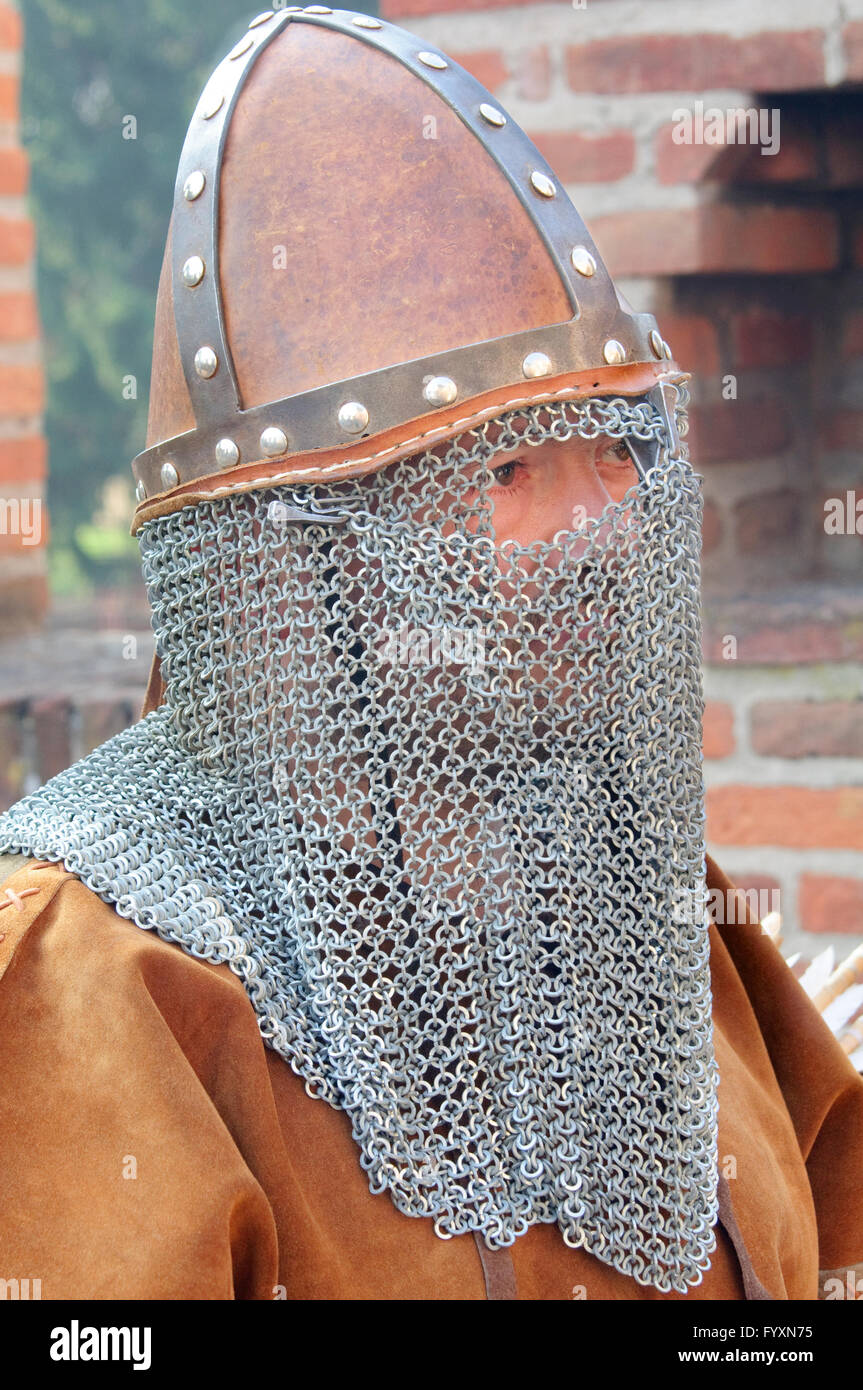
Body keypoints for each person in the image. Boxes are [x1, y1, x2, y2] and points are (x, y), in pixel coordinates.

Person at [0, 7, 861, 1302]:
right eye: (508, 469)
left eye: (615, 454)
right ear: (303, 553)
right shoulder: (92, 982)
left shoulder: (636, 893)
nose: (595, 528)